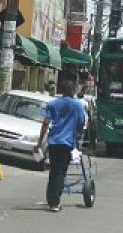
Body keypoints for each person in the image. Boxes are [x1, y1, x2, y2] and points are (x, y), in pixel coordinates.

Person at [34, 78, 86, 212]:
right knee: (61, 172)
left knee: (54, 170)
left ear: (61, 91)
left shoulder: (52, 104)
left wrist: (40, 142)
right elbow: (81, 123)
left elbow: (45, 123)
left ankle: (51, 199)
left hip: (54, 142)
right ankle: (55, 202)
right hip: (67, 143)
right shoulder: (77, 105)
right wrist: (78, 135)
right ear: (73, 91)